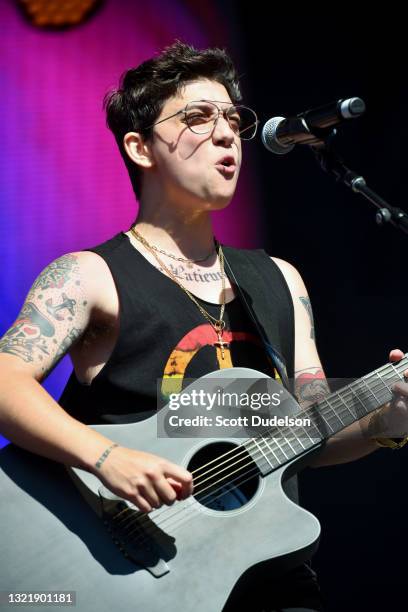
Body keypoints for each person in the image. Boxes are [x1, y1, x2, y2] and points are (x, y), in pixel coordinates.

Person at [0, 41, 407, 612]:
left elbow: (308, 428)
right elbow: (4, 381)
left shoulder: (278, 279)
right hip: (120, 574)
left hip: (270, 577)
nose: (225, 135)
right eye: (196, 117)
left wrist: (386, 423)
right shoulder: (89, 276)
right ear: (140, 148)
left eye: (233, 119)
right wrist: (107, 457)